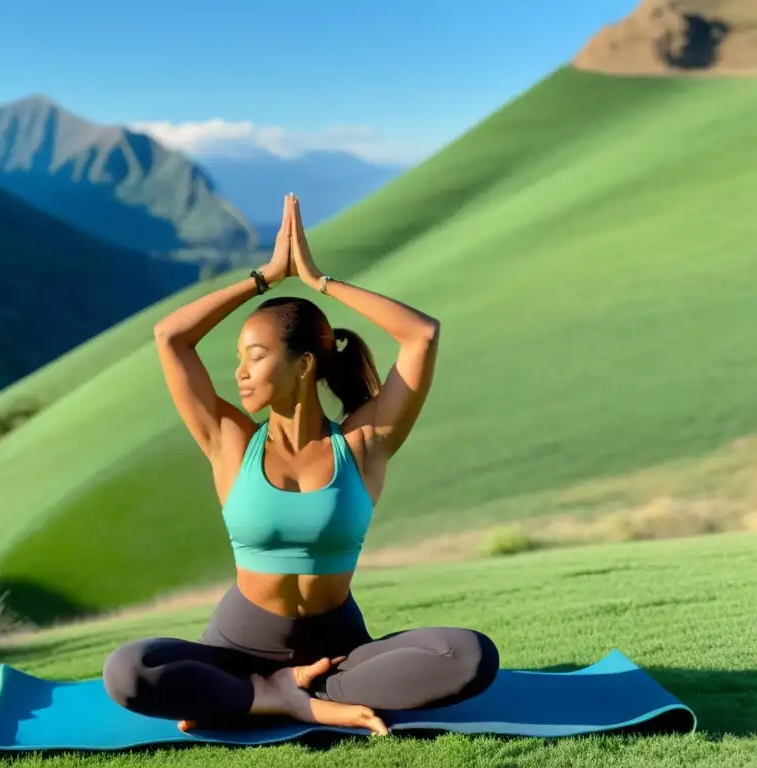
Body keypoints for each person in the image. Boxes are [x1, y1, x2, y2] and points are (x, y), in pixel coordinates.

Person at [102, 194, 499, 735]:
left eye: (255, 356)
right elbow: (170, 337)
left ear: (306, 364)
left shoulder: (363, 443)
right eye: (238, 358)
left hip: (336, 656)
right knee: (129, 671)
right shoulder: (230, 442)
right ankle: (271, 695)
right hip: (236, 650)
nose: (240, 372)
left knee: (470, 656)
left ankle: (301, 694)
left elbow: (421, 334)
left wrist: (318, 281)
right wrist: (264, 277)